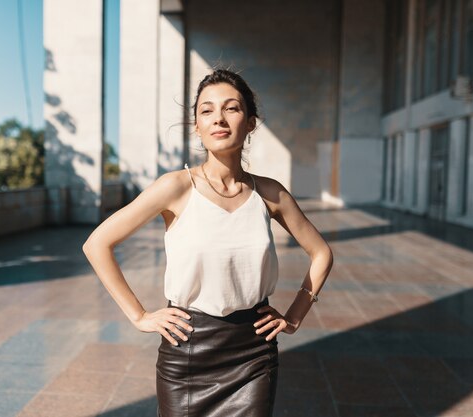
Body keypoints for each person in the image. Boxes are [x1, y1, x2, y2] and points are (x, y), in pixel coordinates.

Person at [82, 69, 333, 417]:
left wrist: (294, 316)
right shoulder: (175, 187)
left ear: (250, 123)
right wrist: (139, 315)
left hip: (253, 352)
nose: (218, 118)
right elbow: (97, 244)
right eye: (206, 110)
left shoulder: (270, 192)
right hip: (188, 349)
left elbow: (321, 253)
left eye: (231, 108)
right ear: (196, 126)